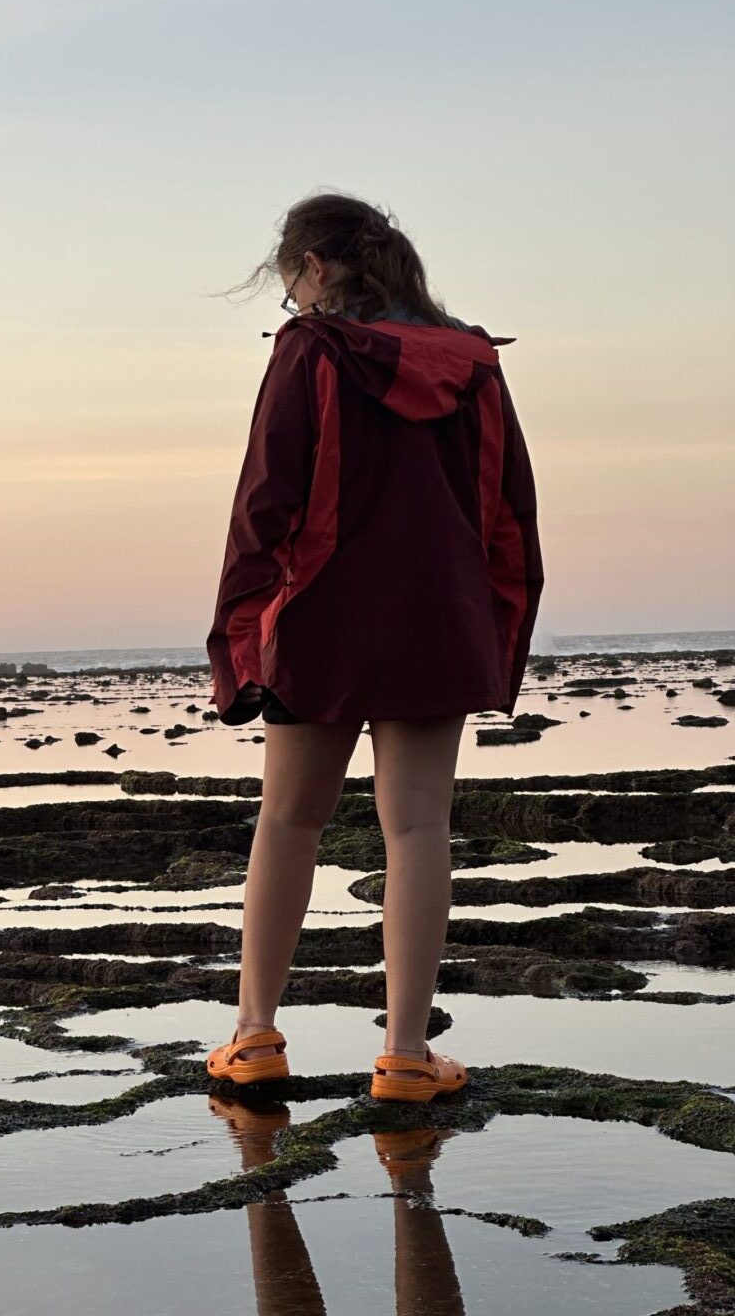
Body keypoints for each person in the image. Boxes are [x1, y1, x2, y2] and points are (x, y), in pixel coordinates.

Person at [204, 191, 544, 1100]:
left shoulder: (311, 352)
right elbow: (511, 511)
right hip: (440, 617)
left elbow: (263, 503)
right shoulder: (473, 362)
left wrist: (235, 633)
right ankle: (403, 1057)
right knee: (419, 826)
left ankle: (255, 1038)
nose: (295, 308)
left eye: (290, 291)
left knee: (289, 819)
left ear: (314, 269)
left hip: (321, 614)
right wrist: (499, 627)